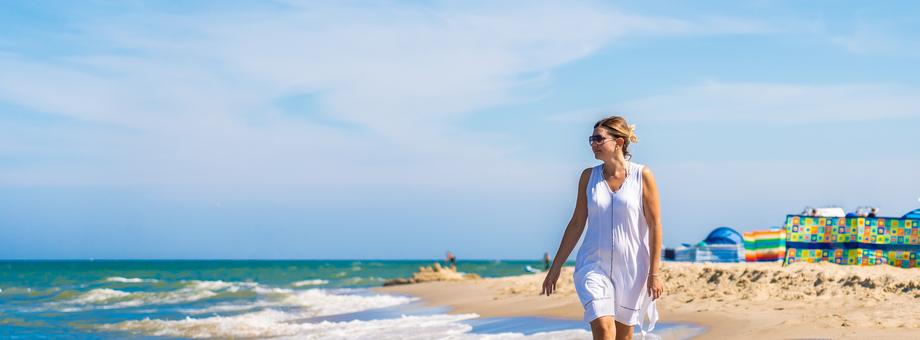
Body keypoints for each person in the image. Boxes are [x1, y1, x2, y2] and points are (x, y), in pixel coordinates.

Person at [542, 116, 664, 340]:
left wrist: (654, 273)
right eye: (591, 139)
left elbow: (655, 225)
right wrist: (556, 265)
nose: (593, 144)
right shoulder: (589, 177)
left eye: (598, 139)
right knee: (604, 330)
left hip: (632, 267)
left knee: (624, 335)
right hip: (593, 265)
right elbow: (577, 223)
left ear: (619, 142)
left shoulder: (641, 175)